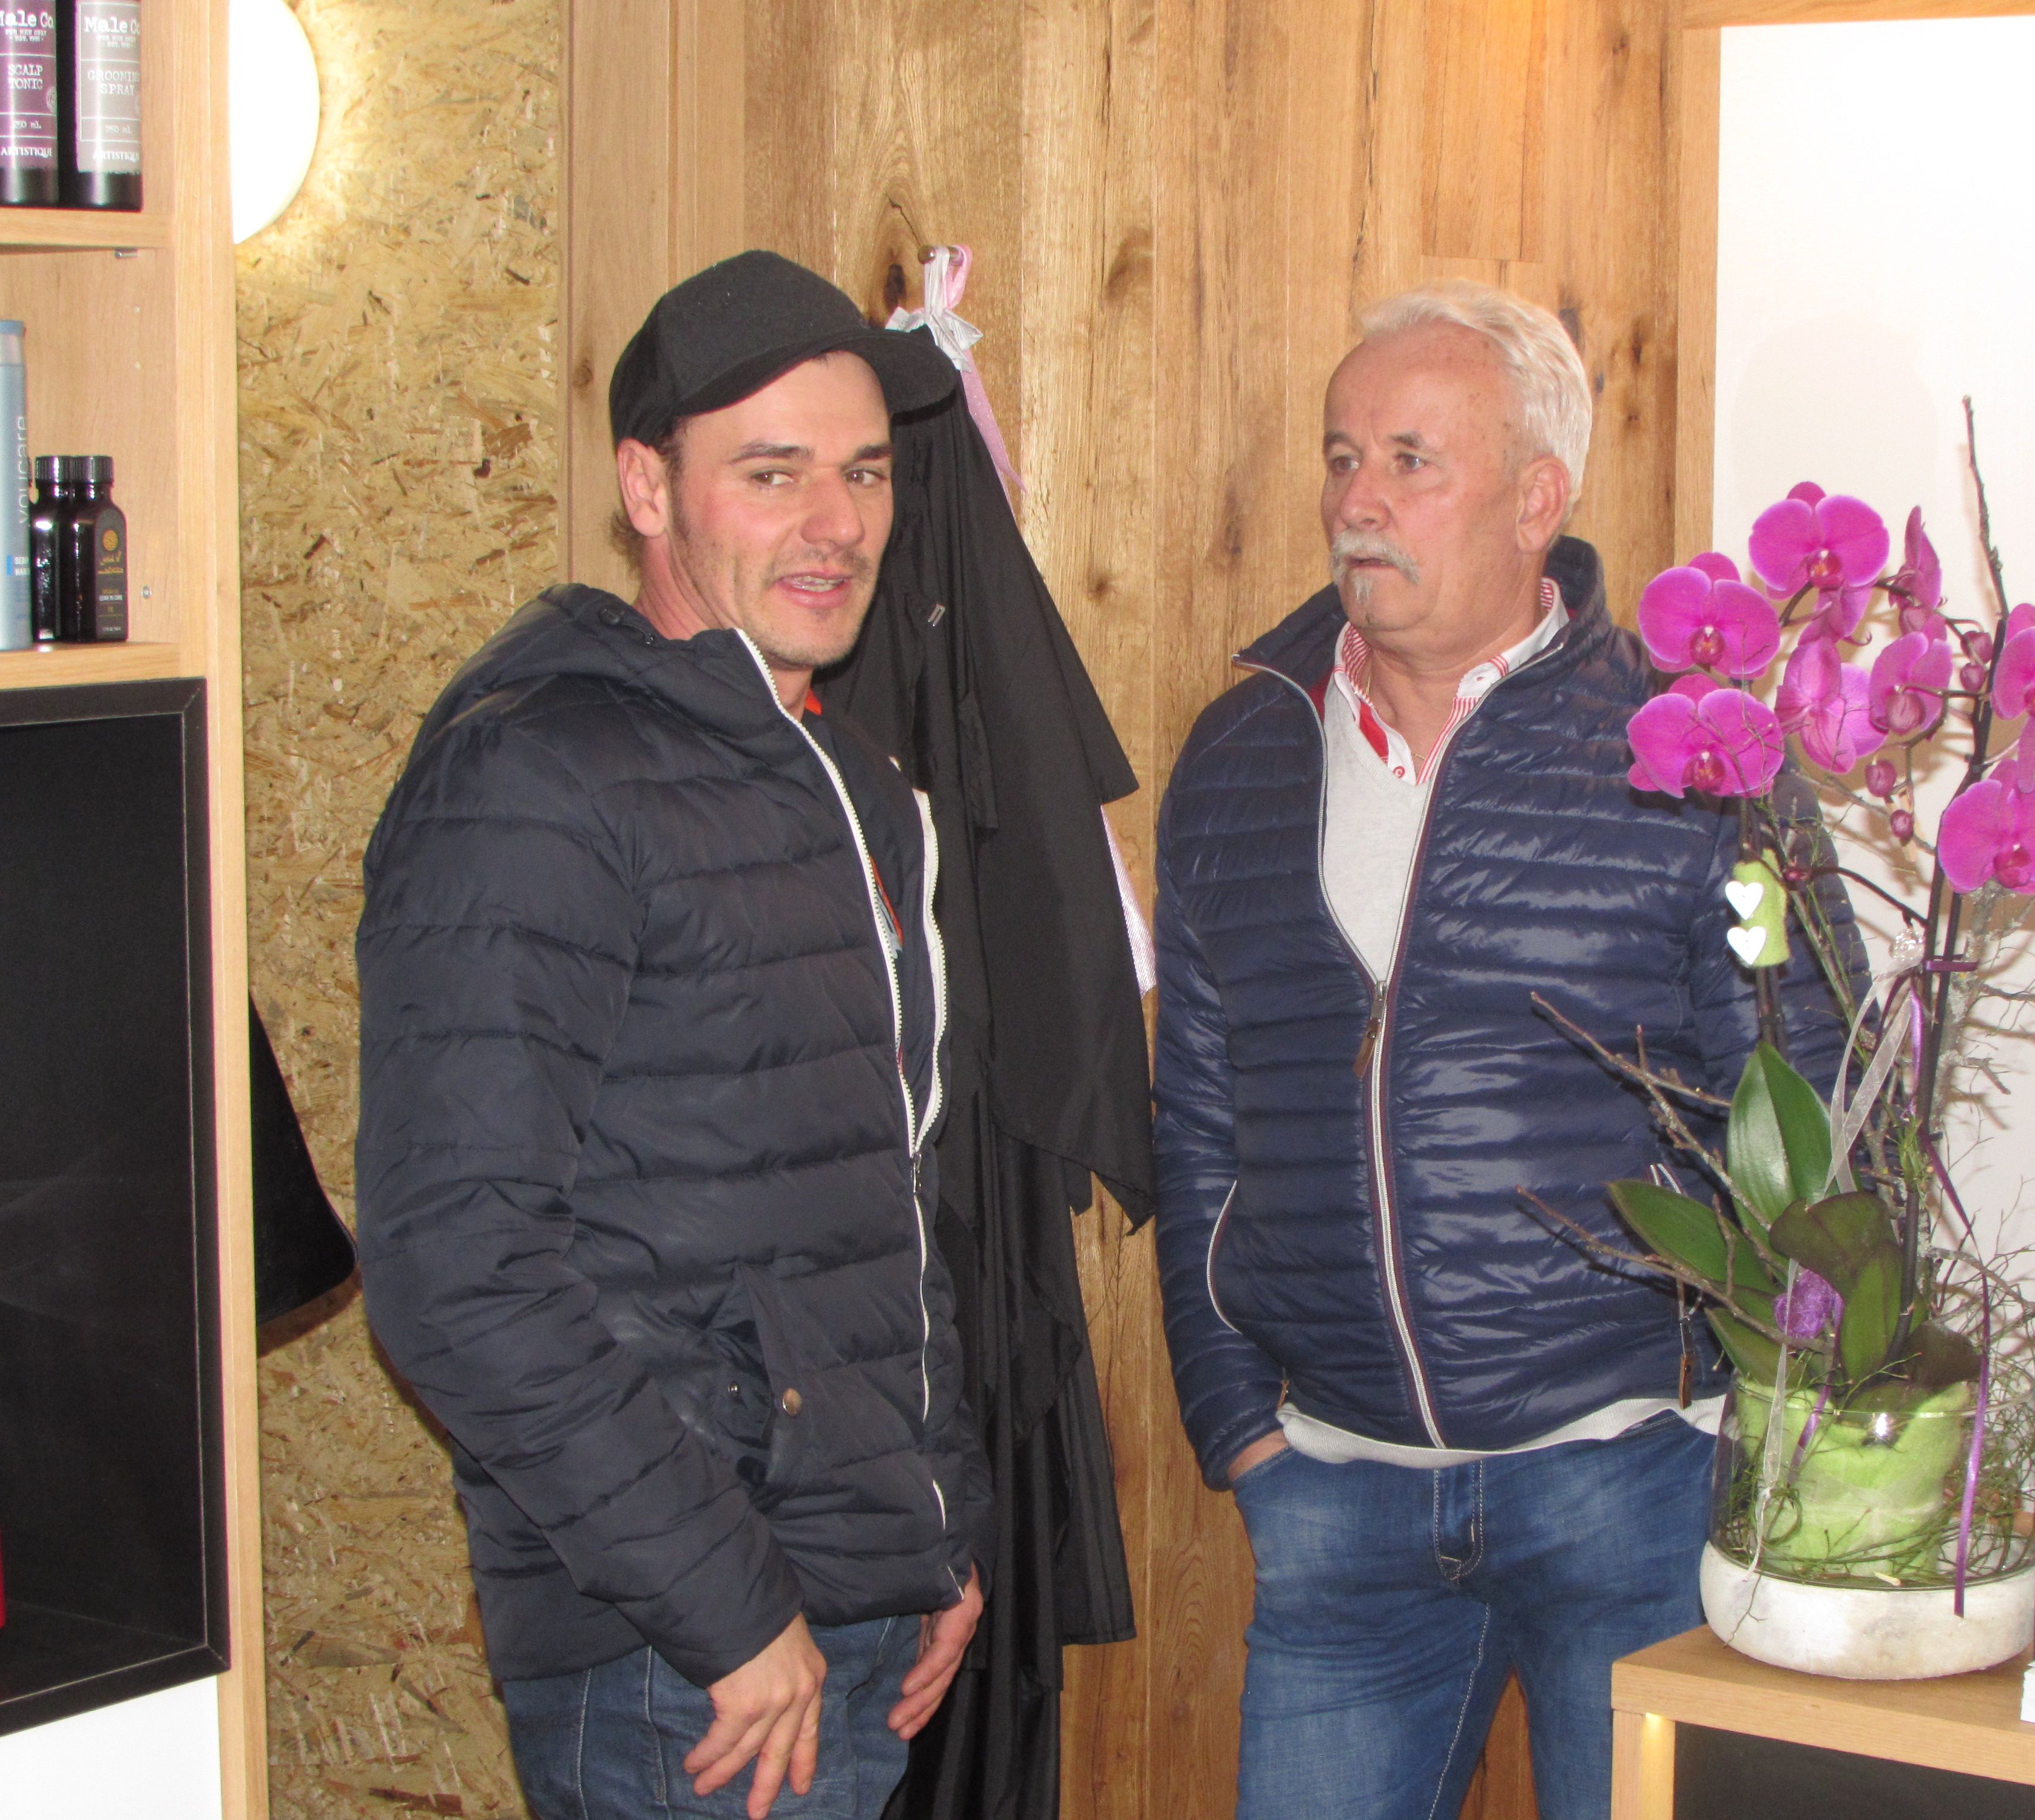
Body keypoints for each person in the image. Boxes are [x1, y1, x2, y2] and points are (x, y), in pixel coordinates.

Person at [1151, 282, 1854, 1819]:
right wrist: (1237, 1427)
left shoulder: (1692, 748)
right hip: (1333, 1498)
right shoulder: (1242, 750)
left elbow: (1803, 1100)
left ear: (1538, 499)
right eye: (1342, 457)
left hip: (1630, 1484)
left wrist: (1756, 1423)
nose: (1357, 502)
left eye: (1410, 460)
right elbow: (1196, 1120)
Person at [356, 251, 990, 1820]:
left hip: (847, 1612)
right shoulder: (539, 775)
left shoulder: (843, 782)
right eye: (771, 474)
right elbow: (455, 1265)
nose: (834, 523)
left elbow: (882, 1202)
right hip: (683, 1664)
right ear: (648, 488)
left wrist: (937, 1527)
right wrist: (727, 1607)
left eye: (862, 472)